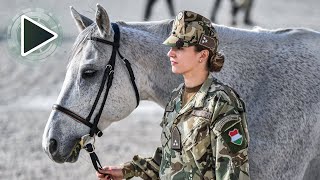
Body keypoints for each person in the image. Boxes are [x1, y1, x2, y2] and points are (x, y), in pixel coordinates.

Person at [97, 10, 250, 180]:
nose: (170, 53)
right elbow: (171, 161)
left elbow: (233, 173)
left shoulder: (221, 103)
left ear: (203, 55)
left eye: (179, 48)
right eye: (171, 47)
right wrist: (127, 171)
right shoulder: (177, 98)